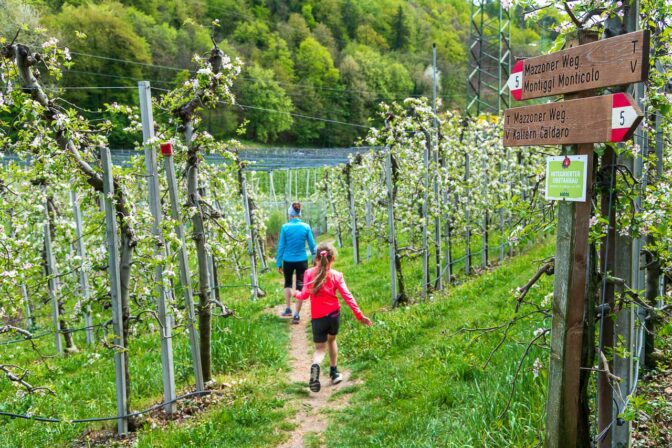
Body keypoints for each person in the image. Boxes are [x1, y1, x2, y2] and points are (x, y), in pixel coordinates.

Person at [294, 242, 372, 392]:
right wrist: (359, 315)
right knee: (332, 340)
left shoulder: (309, 274)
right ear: (333, 258)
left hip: (318, 318)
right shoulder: (336, 275)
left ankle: (316, 364)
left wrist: (295, 293)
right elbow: (347, 296)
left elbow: (303, 295)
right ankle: (334, 372)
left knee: (319, 348)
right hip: (333, 315)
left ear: (316, 258)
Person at [276, 202, 316, 324]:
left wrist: (278, 262)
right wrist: (315, 258)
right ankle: (297, 315)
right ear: (299, 213)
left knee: (287, 283)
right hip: (302, 260)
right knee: (300, 285)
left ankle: (288, 309)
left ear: (290, 214)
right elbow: (312, 245)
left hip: (288, 260)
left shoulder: (285, 227)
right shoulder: (306, 227)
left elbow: (281, 246)